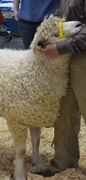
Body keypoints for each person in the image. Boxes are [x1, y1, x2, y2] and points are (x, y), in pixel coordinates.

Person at [35, 0, 86, 177]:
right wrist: (48, 33)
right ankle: (63, 166)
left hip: (80, 54)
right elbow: (62, 15)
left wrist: (59, 47)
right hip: (70, 55)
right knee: (64, 112)